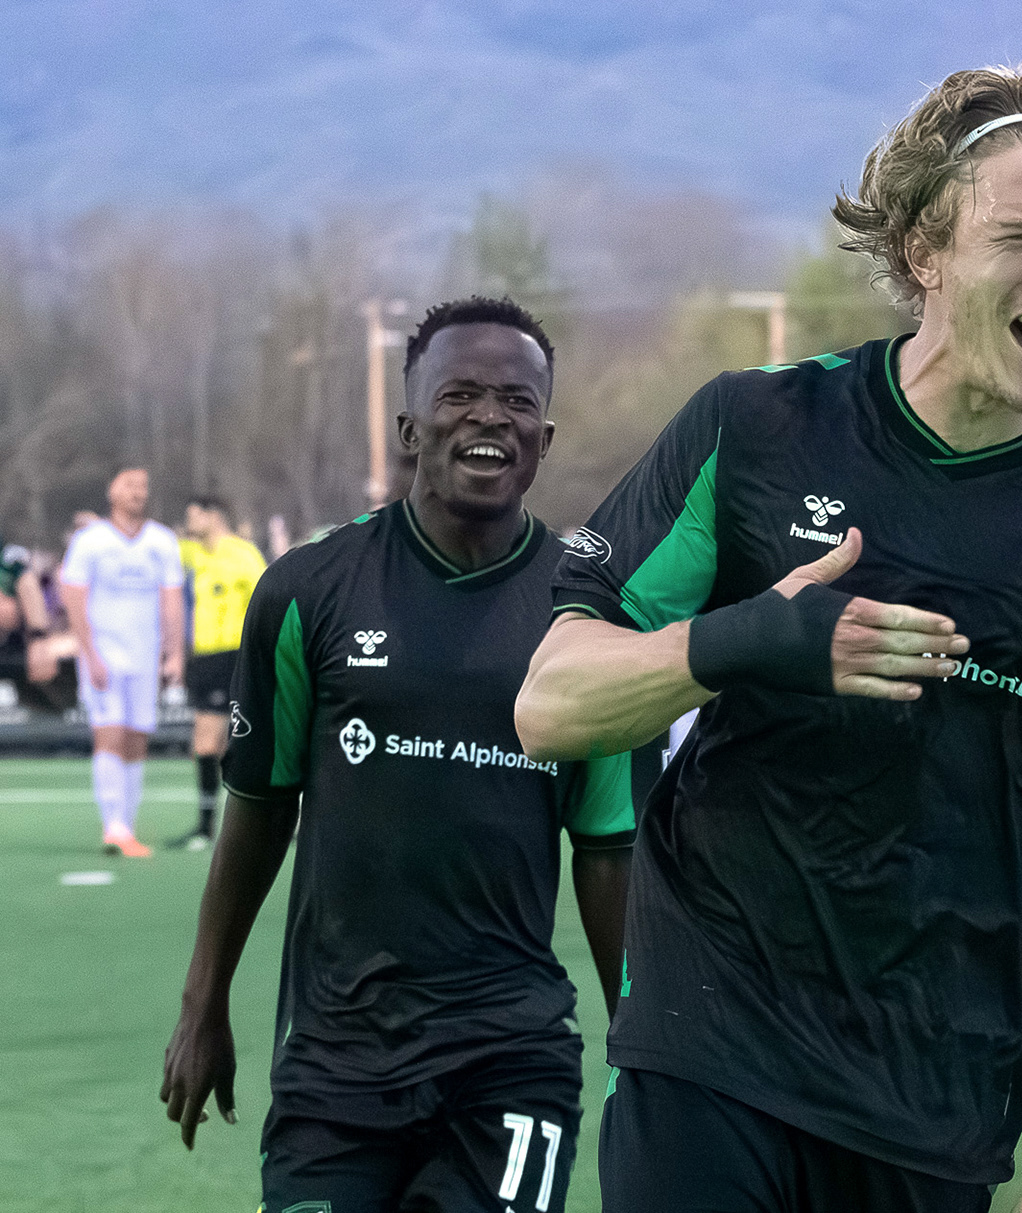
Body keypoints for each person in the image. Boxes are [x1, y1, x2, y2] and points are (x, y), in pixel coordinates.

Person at [516, 67, 1022, 1213]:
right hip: (710, 1040)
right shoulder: (757, 428)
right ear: (924, 249)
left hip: (938, 1090)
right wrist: (753, 637)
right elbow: (551, 700)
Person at [160, 298, 635, 1213]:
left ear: (545, 434)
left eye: (514, 399)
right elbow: (259, 807)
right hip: (335, 1060)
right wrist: (202, 1001)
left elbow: (608, 848)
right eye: (459, 394)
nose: (489, 416)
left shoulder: (592, 614)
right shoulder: (309, 590)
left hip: (512, 1057)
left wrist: (642, 1044)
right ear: (410, 425)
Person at [58, 467, 185, 858]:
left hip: (144, 655)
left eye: (143, 487)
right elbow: (74, 596)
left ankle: (126, 825)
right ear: (112, 490)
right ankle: (112, 825)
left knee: (136, 738)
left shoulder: (161, 541)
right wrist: (89, 652)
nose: (138, 493)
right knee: (109, 733)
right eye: (130, 485)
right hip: (105, 655)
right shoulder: (90, 541)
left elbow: (172, 599)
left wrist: (175, 652)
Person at [168, 494, 268, 850]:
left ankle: (207, 826)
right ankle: (229, 824)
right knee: (221, 743)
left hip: (234, 655)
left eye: (193, 515)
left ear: (213, 517)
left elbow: (267, 600)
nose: (188, 523)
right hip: (203, 658)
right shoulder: (193, 554)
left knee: (209, 741)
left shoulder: (243, 554)